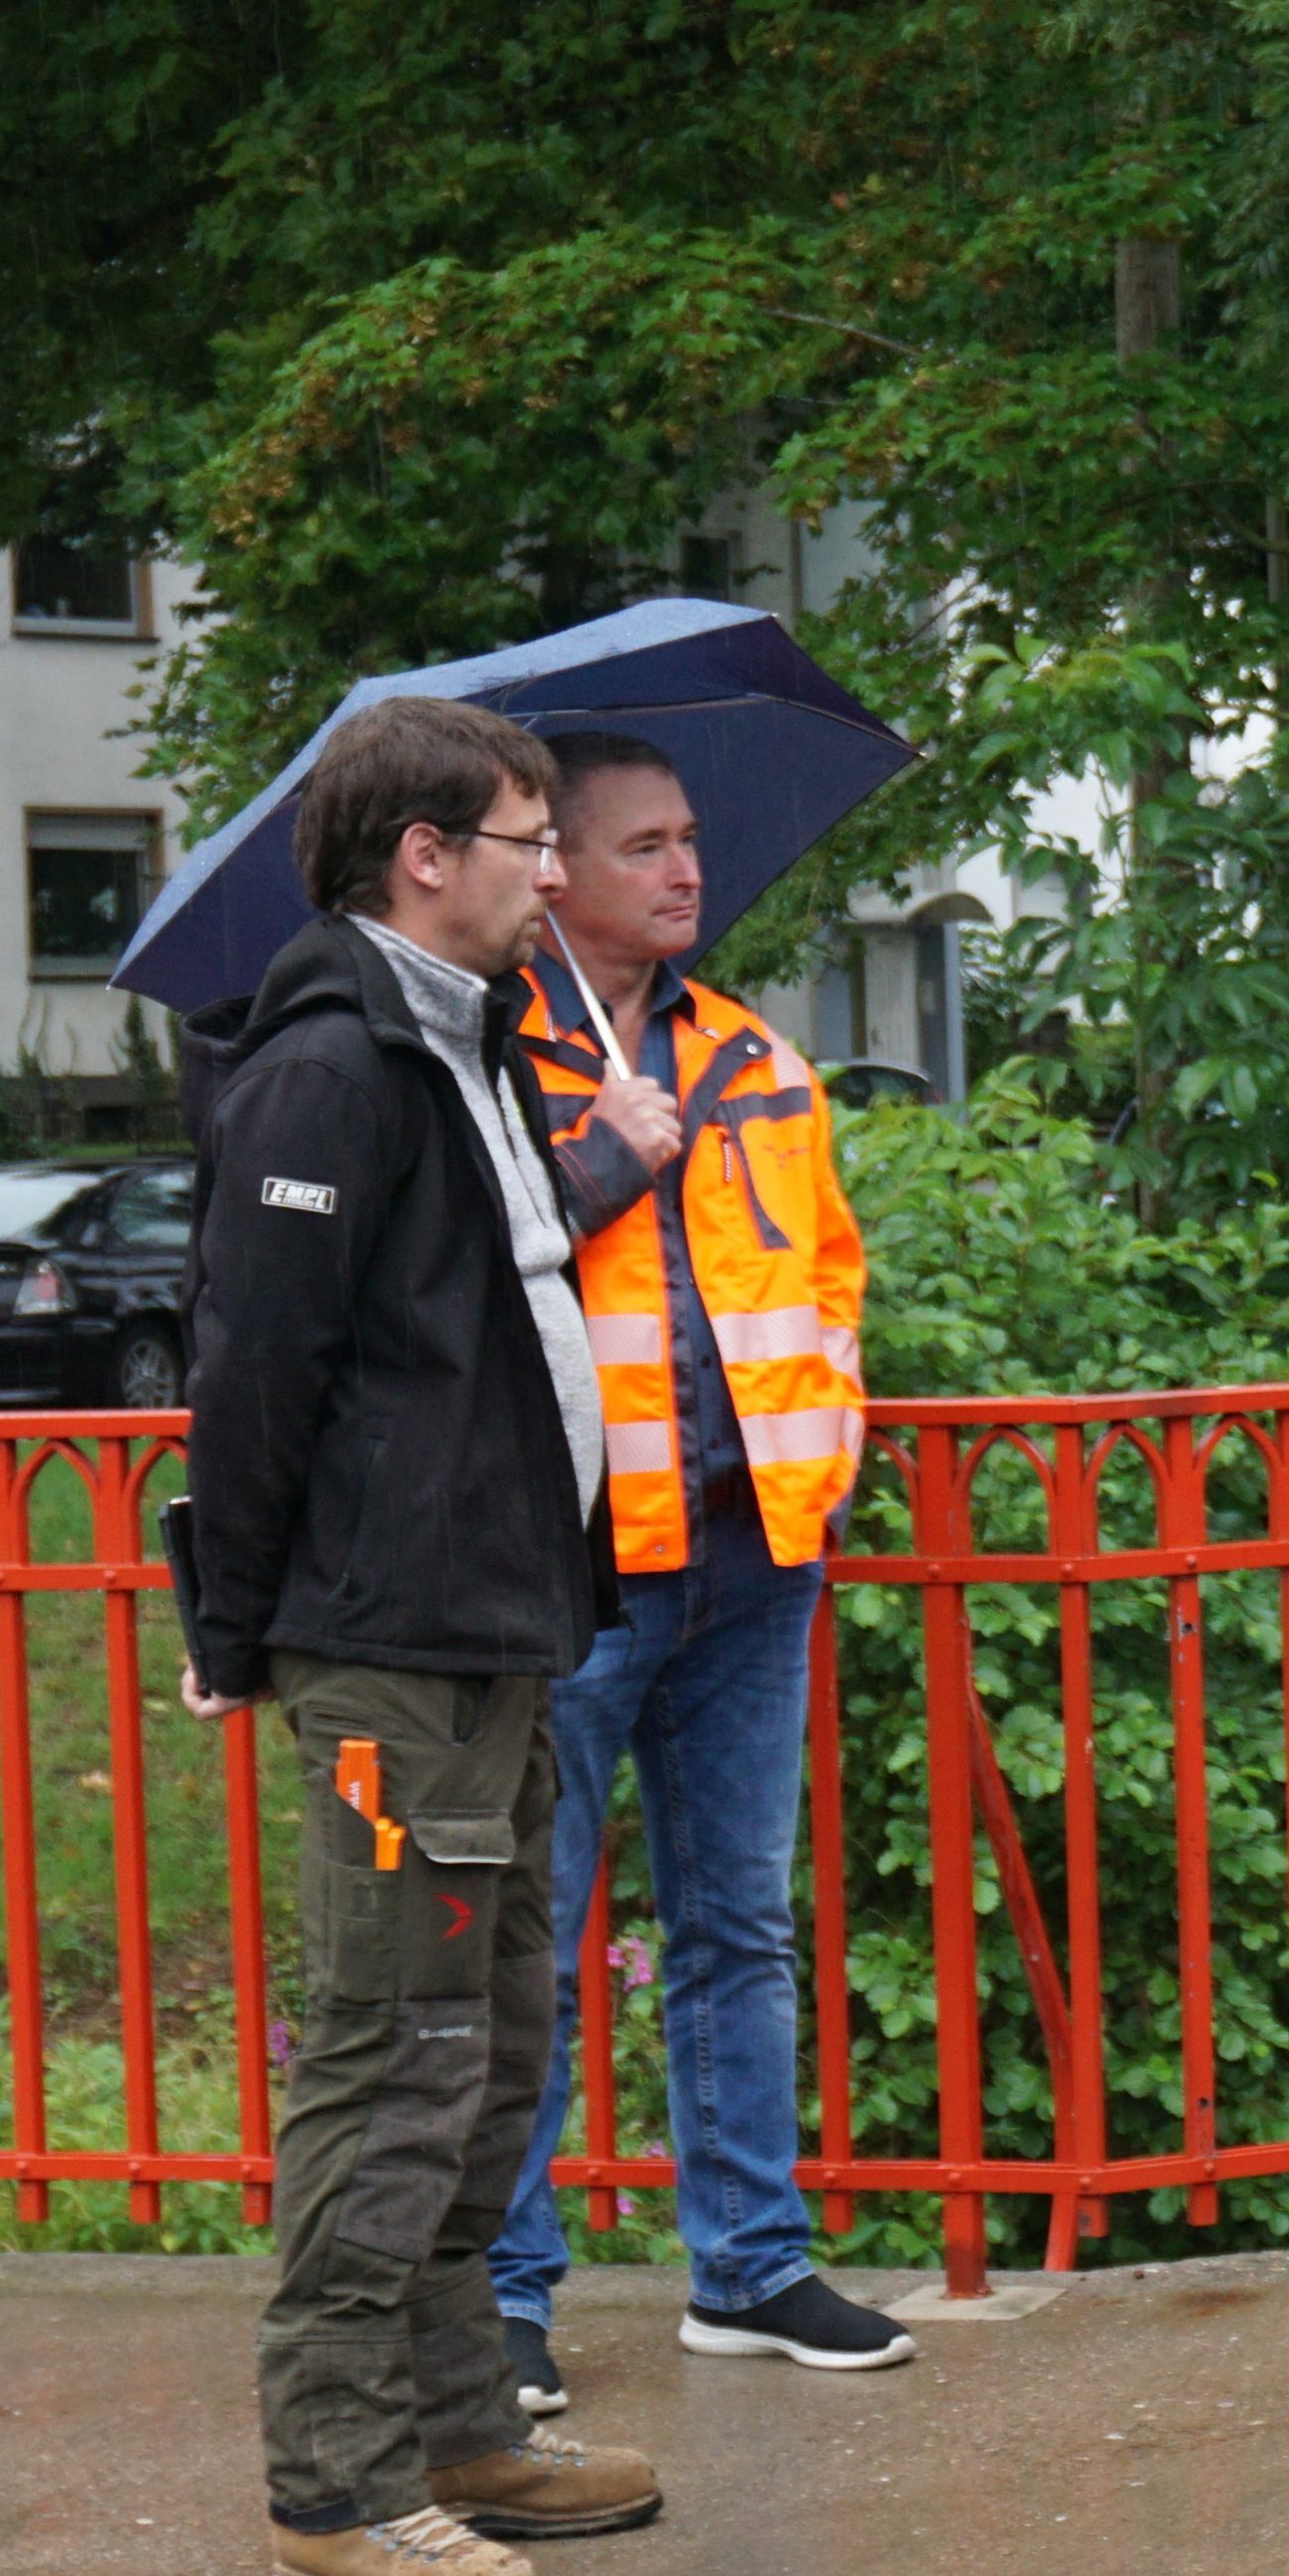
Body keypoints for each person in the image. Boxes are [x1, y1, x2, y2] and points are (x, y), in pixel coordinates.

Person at [180, 692, 686, 2576]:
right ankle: (335, 2485)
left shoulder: (462, 1047)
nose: (549, 869)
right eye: (521, 835)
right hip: (393, 1641)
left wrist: (597, 1168)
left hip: (497, 1620)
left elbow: (456, 1308)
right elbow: (257, 1375)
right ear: (421, 858)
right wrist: (236, 1625)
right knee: (392, 2058)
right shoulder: (333, 1069)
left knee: (493, 2052)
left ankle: (461, 2426)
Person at [476, 730, 901, 2412]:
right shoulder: (499, 1061)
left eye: (692, 838)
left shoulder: (755, 1060)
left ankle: (753, 2265)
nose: (686, 869)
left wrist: (835, 1435)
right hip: (578, 1569)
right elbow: (462, 1283)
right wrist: (603, 1159)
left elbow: (831, 1274)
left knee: (738, 1926)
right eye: (646, 843)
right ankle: (510, 2296)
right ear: (556, 870)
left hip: (754, 1555)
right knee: (537, 1941)